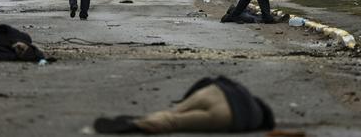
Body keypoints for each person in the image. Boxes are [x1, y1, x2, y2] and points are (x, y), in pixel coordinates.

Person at [93, 76, 275, 134]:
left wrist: (185, 100)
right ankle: (139, 124)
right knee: (176, 122)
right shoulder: (255, 118)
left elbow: (208, 81)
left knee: (174, 112)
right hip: (228, 115)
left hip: (214, 91)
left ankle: (158, 115)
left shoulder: (243, 91)